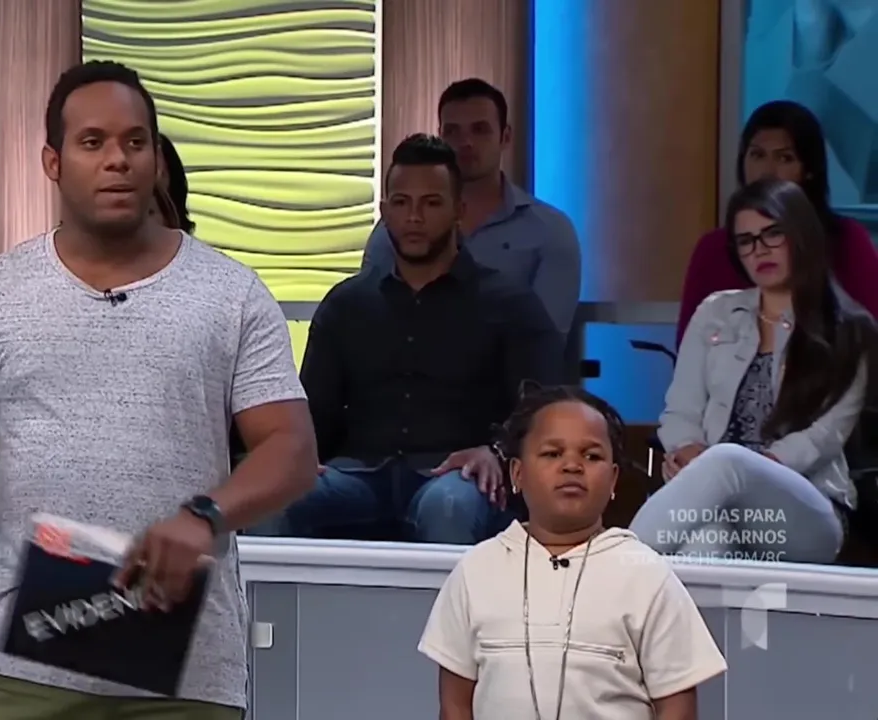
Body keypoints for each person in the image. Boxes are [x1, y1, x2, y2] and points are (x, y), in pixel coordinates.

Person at [0, 60, 315, 719]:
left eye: (136, 142)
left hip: (184, 673)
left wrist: (206, 517)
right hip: (22, 664)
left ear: (156, 159)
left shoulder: (232, 294)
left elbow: (293, 451)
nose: (118, 159)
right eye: (93, 142)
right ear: (52, 163)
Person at [285, 134, 564, 544]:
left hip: (459, 473)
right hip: (358, 474)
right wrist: (297, 458)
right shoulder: (347, 304)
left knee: (448, 506)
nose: (414, 217)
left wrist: (496, 451)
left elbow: (541, 411)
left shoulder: (510, 304)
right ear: (385, 212)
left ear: (459, 211)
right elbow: (315, 412)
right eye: (401, 203)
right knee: (278, 498)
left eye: (431, 203)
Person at [419, 385, 727, 719]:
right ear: (517, 474)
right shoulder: (476, 571)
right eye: (552, 454)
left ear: (613, 480)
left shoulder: (646, 575)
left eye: (591, 456)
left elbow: (677, 707)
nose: (572, 466)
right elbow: (455, 704)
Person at [632, 178, 877, 564]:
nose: (759, 249)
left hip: (806, 511)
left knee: (728, 462)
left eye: (772, 233)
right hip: (719, 497)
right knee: (708, 539)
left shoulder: (849, 329)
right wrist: (685, 449)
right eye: (745, 241)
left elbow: (824, 437)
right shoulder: (715, 313)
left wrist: (733, 467)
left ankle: (613, 568)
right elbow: (680, 410)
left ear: (801, 234)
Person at [361, 79, 581, 338]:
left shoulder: (550, 231)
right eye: (452, 131)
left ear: (505, 137)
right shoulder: (399, 225)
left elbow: (544, 341)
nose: (465, 142)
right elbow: (365, 314)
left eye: (480, 130)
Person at [676, 100, 878, 346]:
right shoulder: (713, 249)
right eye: (757, 155)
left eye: (784, 158)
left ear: (809, 170)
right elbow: (689, 348)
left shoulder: (846, 240)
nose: (768, 170)